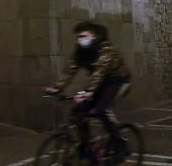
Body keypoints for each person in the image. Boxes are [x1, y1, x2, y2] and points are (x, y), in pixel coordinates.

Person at [44, 21, 131, 155]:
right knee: (79, 112)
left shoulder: (106, 50)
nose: (81, 40)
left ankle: (119, 143)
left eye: (84, 36)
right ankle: (87, 145)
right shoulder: (81, 52)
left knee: (100, 110)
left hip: (117, 81)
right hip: (100, 83)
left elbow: (99, 71)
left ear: (94, 36)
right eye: (79, 37)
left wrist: (89, 91)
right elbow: (70, 70)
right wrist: (57, 88)